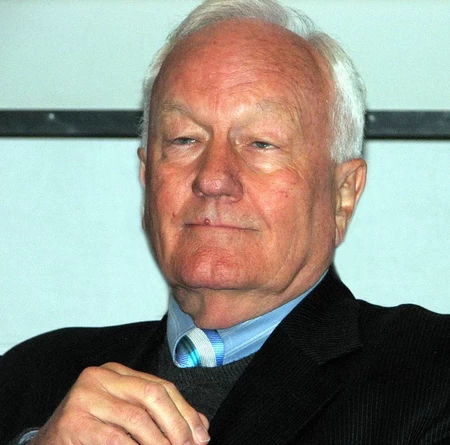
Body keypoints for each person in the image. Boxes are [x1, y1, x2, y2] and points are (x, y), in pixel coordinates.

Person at [1, 0, 450, 444]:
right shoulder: (32, 380)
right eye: (184, 139)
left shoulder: (430, 373)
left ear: (342, 194)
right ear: (147, 178)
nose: (213, 179)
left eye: (261, 143)